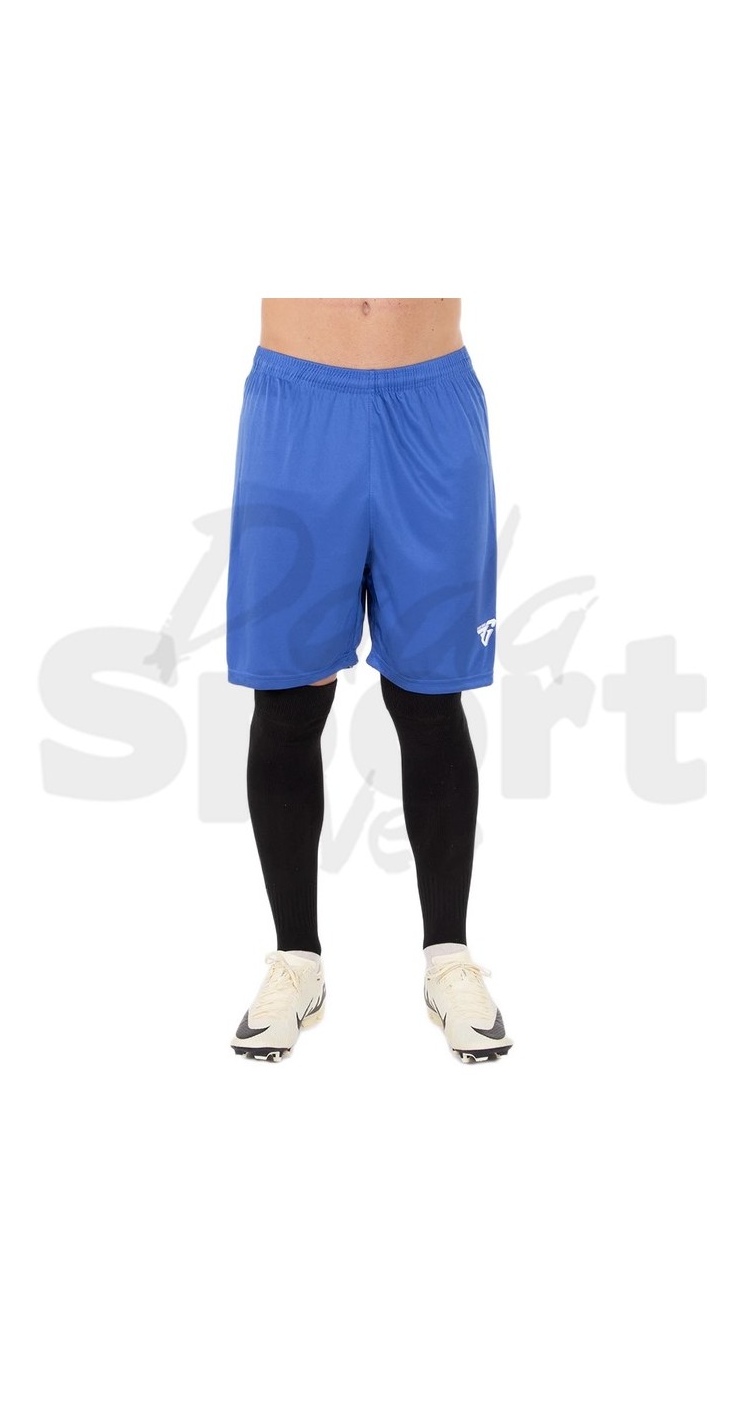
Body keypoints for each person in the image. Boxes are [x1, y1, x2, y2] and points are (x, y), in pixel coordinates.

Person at [226, 299, 512, 1063]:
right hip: (298, 406)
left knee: (429, 698)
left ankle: (448, 959)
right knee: (289, 698)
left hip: (430, 402)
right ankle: (296, 961)